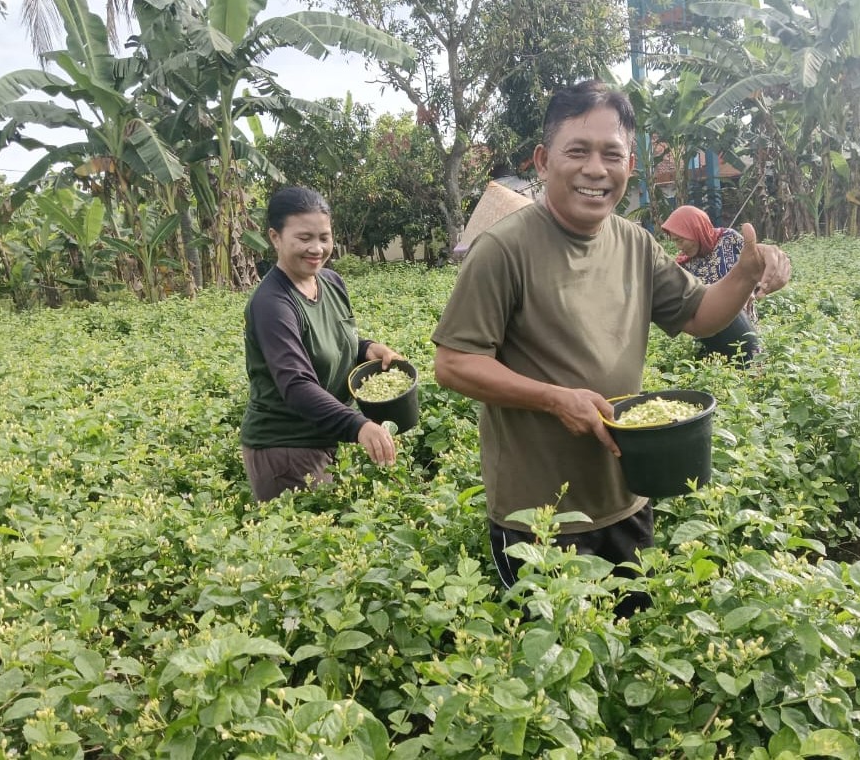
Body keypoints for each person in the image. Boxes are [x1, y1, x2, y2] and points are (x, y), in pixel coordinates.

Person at [430, 80, 790, 616]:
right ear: (542, 161)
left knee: (630, 651)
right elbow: (454, 365)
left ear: (629, 167)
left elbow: (698, 315)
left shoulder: (634, 242)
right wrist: (557, 399)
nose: (595, 169)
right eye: (577, 151)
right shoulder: (503, 251)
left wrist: (744, 274)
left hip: (627, 495)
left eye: (611, 154)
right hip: (541, 518)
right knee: (557, 680)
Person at [240, 186, 403, 502]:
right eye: (304, 238)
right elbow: (297, 384)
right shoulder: (272, 303)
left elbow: (337, 339)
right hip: (286, 448)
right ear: (275, 237)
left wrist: (368, 349)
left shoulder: (330, 281)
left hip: (326, 433)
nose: (317, 248)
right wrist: (359, 426)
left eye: (324, 237)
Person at [662, 204, 770, 364]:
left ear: (696, 229)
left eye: (681, 240)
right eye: (675, 242)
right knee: (719, 375)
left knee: (752, 366)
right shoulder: (683, 265)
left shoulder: (730, 239)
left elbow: (754, 270)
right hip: (710, 333)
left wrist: (752, 292)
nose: (679, 247)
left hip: (743, 322)